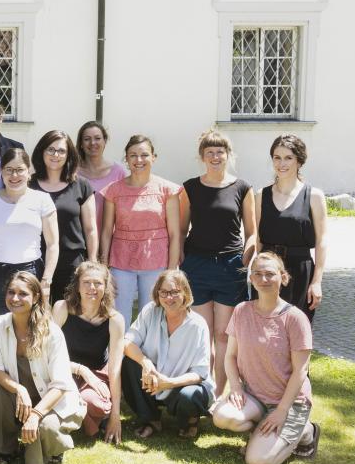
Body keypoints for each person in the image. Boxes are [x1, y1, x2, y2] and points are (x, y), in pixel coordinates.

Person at [211, 253, 319, 464]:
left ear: (283, 277)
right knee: (222, 417)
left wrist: (281, 411)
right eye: (257, 274)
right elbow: (230, 356)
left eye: (270, 274)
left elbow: (300, 371)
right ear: (251, 279)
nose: (264, 279)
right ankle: (264, 432)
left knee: (257, 460)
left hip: (289, 403)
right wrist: (236, 387)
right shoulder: (242, 311)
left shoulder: (296, 318)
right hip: (255, 396)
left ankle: (307, 432)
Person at [0, 272, 83, 464]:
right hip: (18, 400)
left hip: (51, 401)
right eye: (11, 292)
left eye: (22, 294)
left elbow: (60, 385)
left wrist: (35, 414)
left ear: (35, 298)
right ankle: (4, 449)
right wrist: (19, 390)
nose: (15, 298)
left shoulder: (51, 332)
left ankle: (52, 448)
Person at [179, 130, 256, 394]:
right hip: (196, 266)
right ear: (202, 157)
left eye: (220, 151)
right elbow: (180, 231)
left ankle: (221, 392)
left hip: (229, 267)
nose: (215, 156)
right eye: (209, 152)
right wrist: (179, 262)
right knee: (203, 334)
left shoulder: (243, 188)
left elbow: (252, 232)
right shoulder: (189, 187)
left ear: (228, 155)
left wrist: (245, 259)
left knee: (224, 334)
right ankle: (204, 390)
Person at [99, 135, 182, 326]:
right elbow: (106, 231)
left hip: (156, 262)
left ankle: (147, 355)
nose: (139, 160)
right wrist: (104, 265)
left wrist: (171, 270)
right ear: (126, 159)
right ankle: (118, 355)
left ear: (154, 157)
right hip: (121, 262)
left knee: (153, 317)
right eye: (133, 155)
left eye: (144, 155)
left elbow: (175, 234)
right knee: (118, 316)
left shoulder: (167, 190)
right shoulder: (113, 190)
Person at [120, 270, 213, 441]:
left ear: (185, 293)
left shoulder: (198, 325)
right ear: (157, 293)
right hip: (154, 381)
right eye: (164, 292)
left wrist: (168, 383)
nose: (169, 297)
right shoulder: (150, 311)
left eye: (175, 292)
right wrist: (146, 362)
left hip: (182, 385)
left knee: (189, 396)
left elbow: (200, 373)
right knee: (129, 363)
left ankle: (189, 422)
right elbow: (127, 342)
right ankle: (151, 420)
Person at [0, 148, 60, 324]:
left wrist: (46, 281)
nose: (14, 175)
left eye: (20, 169)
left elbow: (52, 244)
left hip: (31, 272)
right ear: (1, 172)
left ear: (29, 171)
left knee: (30, 329)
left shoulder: (42, 200)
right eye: (9, 170)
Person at [51, 261, 126, 443]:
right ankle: (84, 419)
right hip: (64, 370)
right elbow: (49, 356)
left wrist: (115, 415)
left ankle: (87, 413)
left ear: (106, 287)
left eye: (98, 283)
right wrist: (81, 370)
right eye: (86, 282)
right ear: (77, 286)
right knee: (68, 396)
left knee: (96, 405)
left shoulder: (115, 319)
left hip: (97, 374)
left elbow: (115, 368)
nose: (92, 288)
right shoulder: (62, 308)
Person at [256, 133, 327, 323]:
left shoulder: (314, 196)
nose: (282, 163)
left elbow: (321, 241)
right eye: (277, 158)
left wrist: (317, 282)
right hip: (268, 271)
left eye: (288, 157)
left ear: (299, 161)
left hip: (300, 271)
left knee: (297, 331)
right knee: (266, 330)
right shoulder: (261, 195)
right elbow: (258, 239)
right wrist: (256, 273)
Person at [30, 130, 97, 304]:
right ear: (41, 151)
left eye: (61, 151)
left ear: (69, 155)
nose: (55, 155)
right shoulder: (29, 185)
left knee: (70, 314)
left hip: (72, 262)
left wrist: (92, 262)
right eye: (50, 150)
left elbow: (90, 229)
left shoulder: (81, 185)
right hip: (36, 260)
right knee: (36, 314)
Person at [75, 121, 125, 229]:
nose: (93, 143)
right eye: (87, 139)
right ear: (81, 144)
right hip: (80, 240)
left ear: (105, 141)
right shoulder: (73, 172)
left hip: (110, 239)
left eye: (97, 138)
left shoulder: (118, 172)